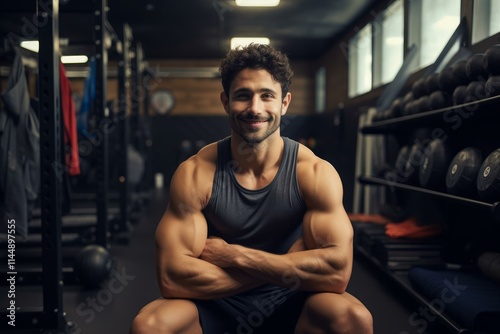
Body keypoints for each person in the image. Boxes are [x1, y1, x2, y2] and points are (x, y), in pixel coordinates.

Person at [130, 44, 373, 334]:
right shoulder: (195, 173)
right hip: (216, 303)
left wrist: (235, 256)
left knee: (354, 318)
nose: (254, 108)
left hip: (292, 301)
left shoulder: (315, 173)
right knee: (150, 325)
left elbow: (335, 274)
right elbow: (172, 277)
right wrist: (287, 265)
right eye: (243, 95)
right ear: (225, 101)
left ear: (284, 103)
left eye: (267, 96)